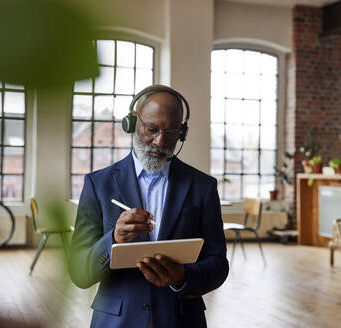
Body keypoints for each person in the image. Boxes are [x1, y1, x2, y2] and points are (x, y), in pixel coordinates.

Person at [69, 85, 229, 328]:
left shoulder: (203, 187)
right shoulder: (98, 184)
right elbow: (79, 272)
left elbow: (218, 264)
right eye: (151, 129)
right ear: (132, 124)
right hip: (117, 321)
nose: (160, 141)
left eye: (171, 132)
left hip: (182, 319)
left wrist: (183, 277)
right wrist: (112, 239)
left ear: (182, 133)